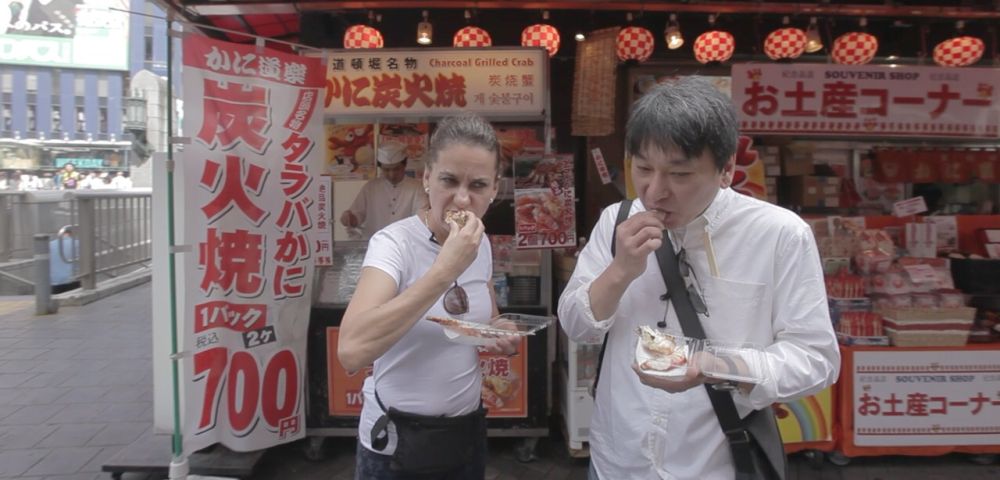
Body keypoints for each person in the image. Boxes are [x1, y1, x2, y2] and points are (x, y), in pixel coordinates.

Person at [558, 77, 839, 480]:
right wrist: (620, 271)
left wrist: (717, 366)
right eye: (643, 169)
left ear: (726, 170)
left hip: (714, 465)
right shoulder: (616, 221)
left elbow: (816, 359)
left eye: (680, 174)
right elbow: (575, 325)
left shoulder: (779, 235)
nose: (655, 192)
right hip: (618, 459)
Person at [338, 113, 517, 479]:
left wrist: (501, 331)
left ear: (495, 188)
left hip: (464, 433)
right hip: (395, 444)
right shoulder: (393, 244)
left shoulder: (479, 242)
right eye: (449, 180)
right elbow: (352, 350)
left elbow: (486, 317)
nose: (463, 198)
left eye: (479, 185)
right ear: (426, 178)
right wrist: (442, 271)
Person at [339, 142, 428, 240]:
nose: (391, 175)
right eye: (386, 170)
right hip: (374, 244)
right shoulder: (371, 187)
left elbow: (421, 217)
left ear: (405, 164)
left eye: (396, 169)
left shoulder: (416, 187)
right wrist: (349, 218)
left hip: (405, 245)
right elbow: (357, 215)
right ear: (381, 167)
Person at [49, 230, 79, 294]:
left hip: (54, 281)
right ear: (70, 234)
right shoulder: (76, 243)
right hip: (72, 280)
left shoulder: (50, 244)